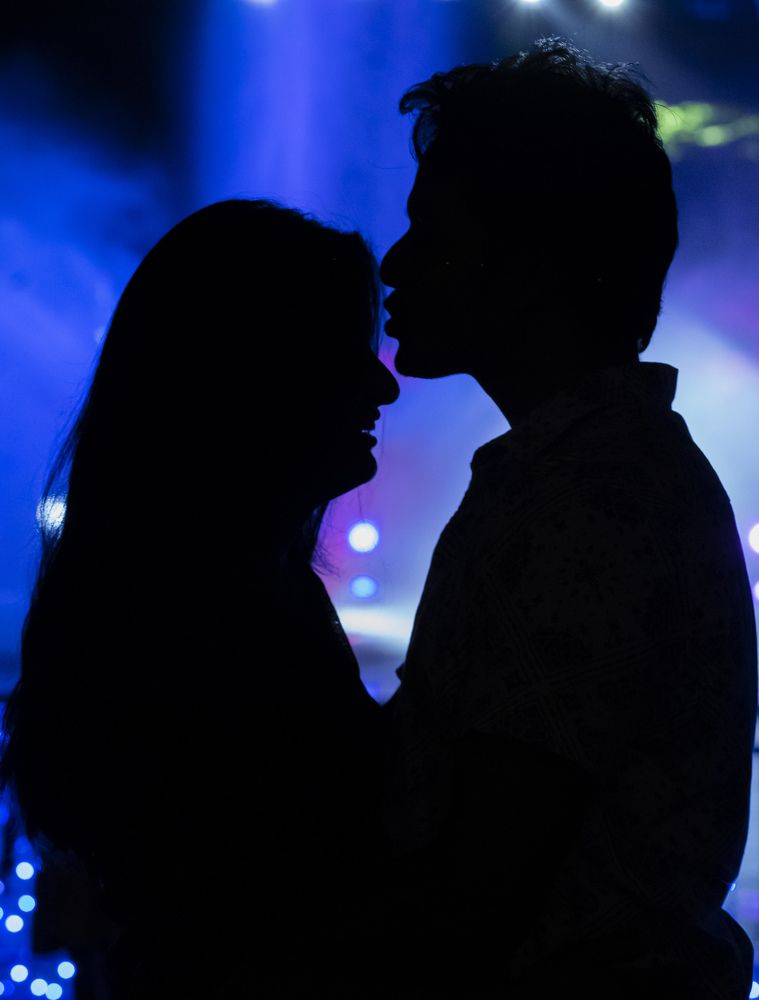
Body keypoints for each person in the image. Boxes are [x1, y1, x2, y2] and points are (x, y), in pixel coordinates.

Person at [379, 38, 757, 999]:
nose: (395, 262)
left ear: (532, 264)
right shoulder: (585, 473)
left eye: (433, 232)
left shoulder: (592, 501)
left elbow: (480, 894)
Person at [1, 198, 399, 998]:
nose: (382, 386)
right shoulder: (215, 631)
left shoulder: (180, 599)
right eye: (344, 354)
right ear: (249, 378)